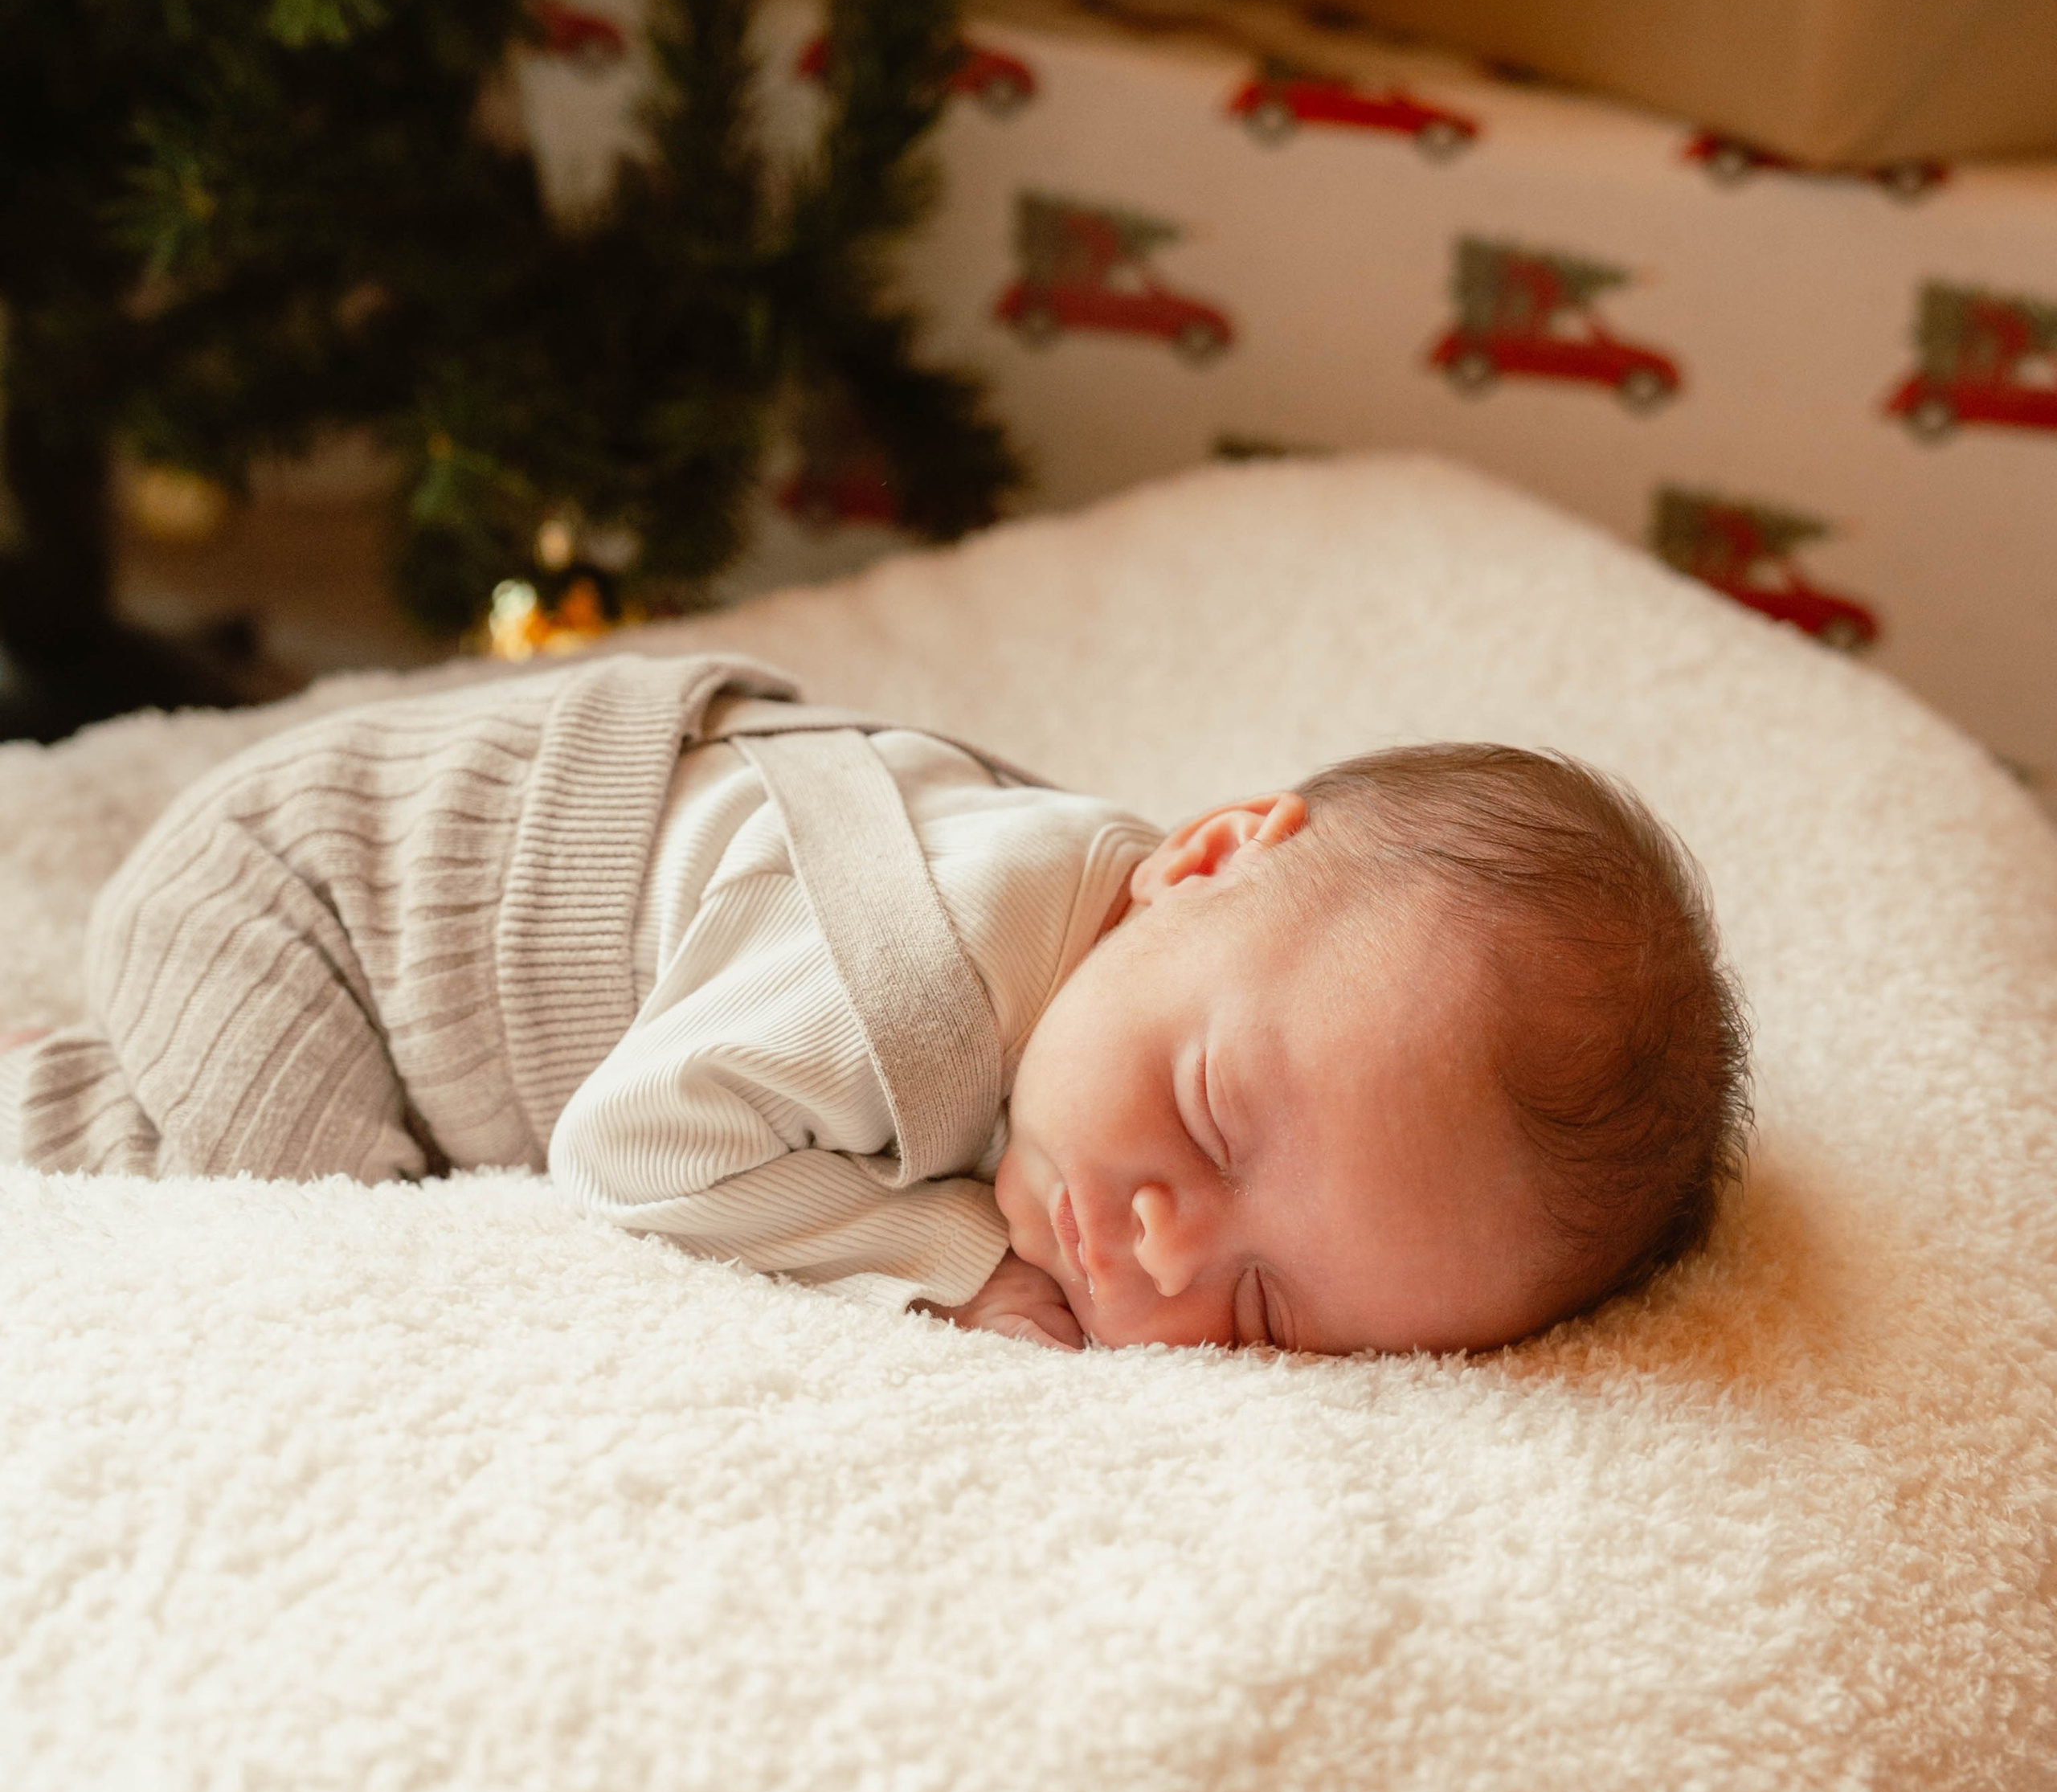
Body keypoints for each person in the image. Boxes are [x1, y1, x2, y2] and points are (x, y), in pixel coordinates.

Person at [0, 649, 1748, 1356]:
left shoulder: (1122, 947)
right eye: (1214, 1116)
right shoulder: (912, 966)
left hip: (368, 920)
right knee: (296, 1241)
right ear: (1209, 853)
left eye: (1266, 1312)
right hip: (307, 910)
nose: (1153, 1246)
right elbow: (633, 1146)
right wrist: (950, 1263)